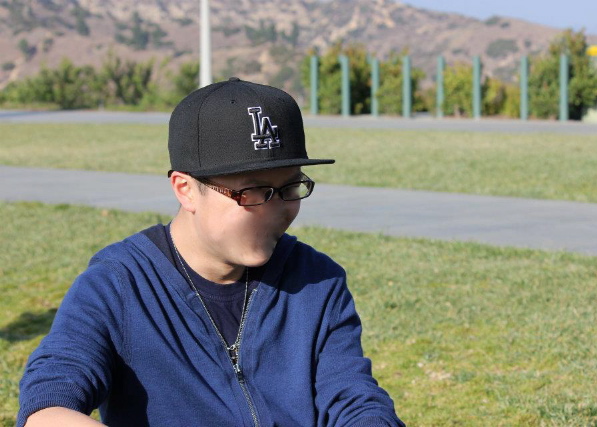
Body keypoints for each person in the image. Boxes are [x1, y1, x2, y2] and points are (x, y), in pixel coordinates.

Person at [18, 78, 404, 426]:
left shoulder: (316, 280)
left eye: (289, 188)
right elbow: (47, 406)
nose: (276, 210)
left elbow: (355, 399)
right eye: (252, 192)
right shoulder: (118, 284)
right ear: (185, 189)